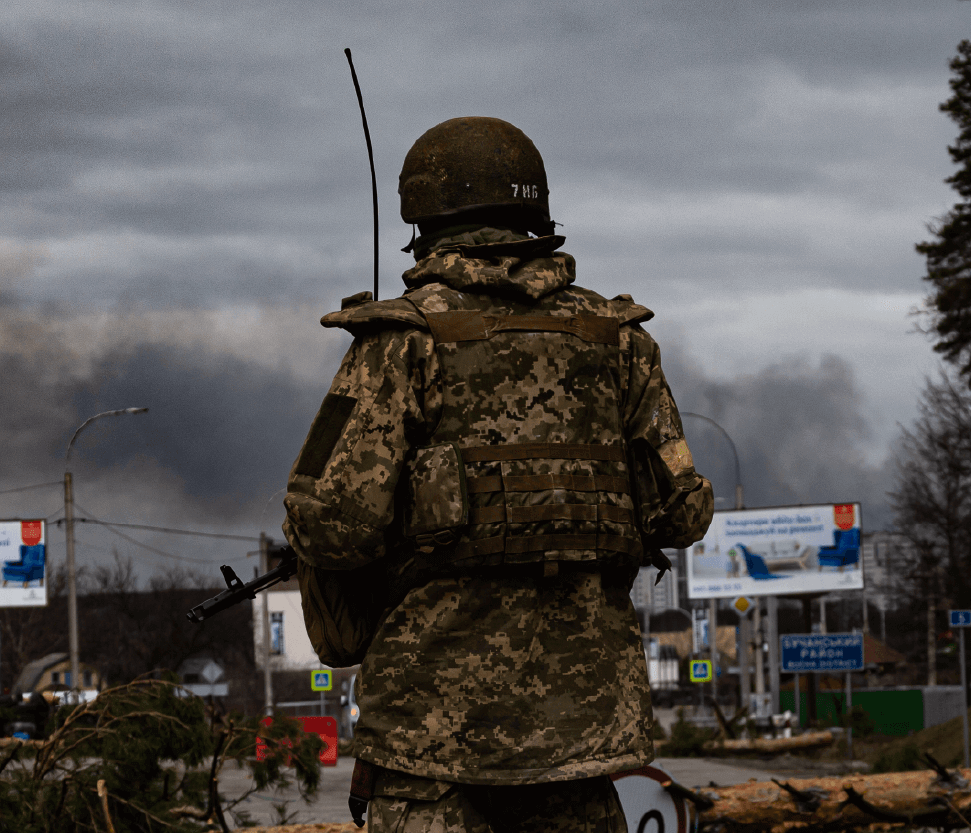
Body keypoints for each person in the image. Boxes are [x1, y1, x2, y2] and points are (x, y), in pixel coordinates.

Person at [281, 116, 714, 832]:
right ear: (536, 214)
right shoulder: (622, 342)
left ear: (423, 218)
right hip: (584, 736)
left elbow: (332, 521)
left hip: (433, 737)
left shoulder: (401, 342)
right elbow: (681, 514)